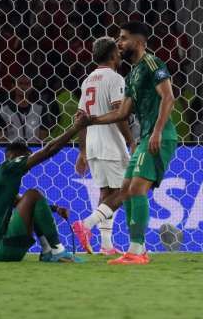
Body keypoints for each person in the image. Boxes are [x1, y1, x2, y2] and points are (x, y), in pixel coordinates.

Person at [74, 21, 177, 265]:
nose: (119, 44)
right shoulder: (131, 75)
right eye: (118, 40)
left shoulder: (152, 63)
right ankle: (136, 250)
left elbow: (169, 97)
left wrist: (157, 132)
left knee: (136, 189)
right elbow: (121, 113)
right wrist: (92, 120)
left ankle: (135, 251)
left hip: (158, 137)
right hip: (144, 139)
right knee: (128, 190)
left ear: (139, 42)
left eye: (123, 38)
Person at [0, 114, 89, 263]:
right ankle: (57, 250)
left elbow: (21, 202)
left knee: (32, 199)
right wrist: (76, 128)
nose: (28, 166)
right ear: (15, 156)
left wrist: (54, 209)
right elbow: (49, 149)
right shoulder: (10, 166)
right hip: (3, 247)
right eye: (27, 158)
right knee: (34, 194)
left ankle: (48, 251)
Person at [73, 37, 134, 255]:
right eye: (117, 52)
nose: (120, 55)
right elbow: (120, 114)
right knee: (124, 191)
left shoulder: (88, 80)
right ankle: (86, 225)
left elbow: (79, 118)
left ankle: (106, 245)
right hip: (111, 144)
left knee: (106, 192)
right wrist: (131, 140)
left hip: (93, 145)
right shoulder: (115, 78)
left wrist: (82, 150)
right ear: (111, 55)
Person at [0, 75, 53, 143]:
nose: (23, 87)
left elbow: (43, 139)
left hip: (35, 151)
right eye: (20, 84)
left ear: (31, 87)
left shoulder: (40, 110)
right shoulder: (3, 112)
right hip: (13, 151)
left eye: (27, 84)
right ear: (13, 86)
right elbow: (2, 142)